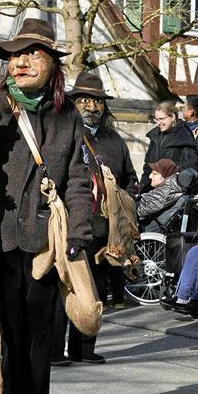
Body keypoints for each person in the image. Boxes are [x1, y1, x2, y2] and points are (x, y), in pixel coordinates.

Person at [0, 18, 93, 394]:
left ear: (52, 64)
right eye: (15, 56)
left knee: (39, 336)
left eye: (31, 54)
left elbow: (76, 177)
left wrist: (78, 231)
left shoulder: (67, 114)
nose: (20, 63)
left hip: (43, 240)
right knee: (1, 332)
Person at [51, 70, 137, 365]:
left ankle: (84, 347)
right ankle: (53, 350)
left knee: (96, 290)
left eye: (98, 101)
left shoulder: (115, 140)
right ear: (74, 103)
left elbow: (129, 178)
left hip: (103, 230)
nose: (92, 107)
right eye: (85, 100)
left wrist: (122, 205)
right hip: (70, 225)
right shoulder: (62, 132)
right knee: (64, 288)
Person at [141, 100, 197, 191]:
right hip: (152, 190)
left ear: (172, 117)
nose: (158, 123)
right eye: (156, 119)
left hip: (171, 191)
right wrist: (142, 186)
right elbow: (147, 165)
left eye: (161, 119)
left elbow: (188, 171)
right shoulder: (155, 136)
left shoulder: (184, 138)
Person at [136, 159, 184, 230]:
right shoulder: (168, 188)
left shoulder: (166, 192)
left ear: (164, 176)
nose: (150, 176)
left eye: (154, 174)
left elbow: (141, 208)